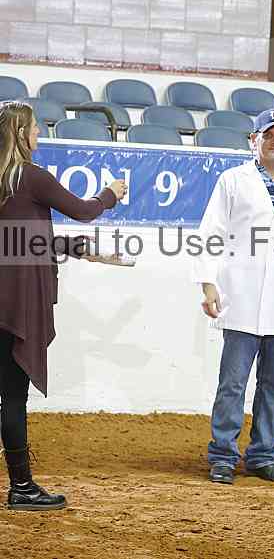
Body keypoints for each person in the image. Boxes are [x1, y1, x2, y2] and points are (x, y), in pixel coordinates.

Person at [0, 101, 127, 510]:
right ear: (20, 133)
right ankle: (21, 487)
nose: (39, 132)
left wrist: (78, 248)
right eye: (35, 127)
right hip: (15, 305)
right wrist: (110, 195)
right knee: (12, 397)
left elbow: (23, 240)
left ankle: (22, 485)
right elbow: (84, 211)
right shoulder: (32, 176)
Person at [193, 109, 274, 485]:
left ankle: (263, 456)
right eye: (268, 135)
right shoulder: (233, 180)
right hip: (240, 295)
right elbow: (210, 231)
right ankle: (222, 456)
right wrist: (208, 283)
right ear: (254, 140)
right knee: (232, 384)